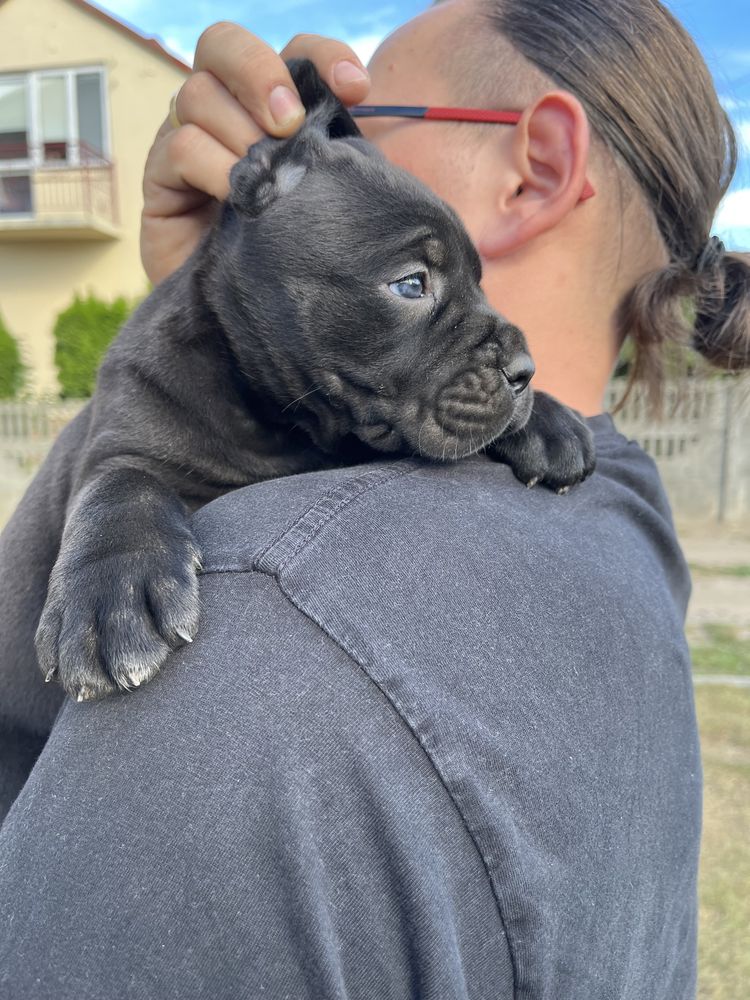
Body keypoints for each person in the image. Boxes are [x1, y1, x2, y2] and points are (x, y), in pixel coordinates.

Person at [0, 0, 748, 996]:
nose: (320, 141)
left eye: (368, 118)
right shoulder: (624, 514)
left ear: (534, 166)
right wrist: (227, 289)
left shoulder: (272, 622)